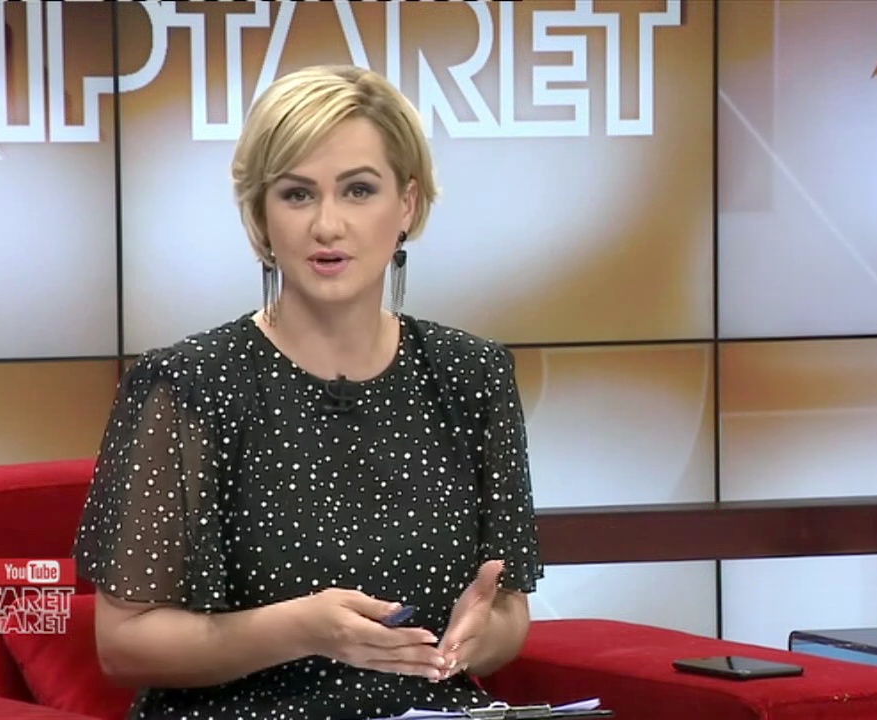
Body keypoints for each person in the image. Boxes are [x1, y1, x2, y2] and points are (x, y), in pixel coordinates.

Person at [72, 64, 544, 720]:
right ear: (261, 217)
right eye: (297, 195)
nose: (327, 224)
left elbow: (509, 609)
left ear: (407, 204)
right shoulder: (186, 384)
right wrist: (303, 630)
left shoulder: (473, 376)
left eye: (358, 190)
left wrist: (477, 638)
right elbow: (124, 644)